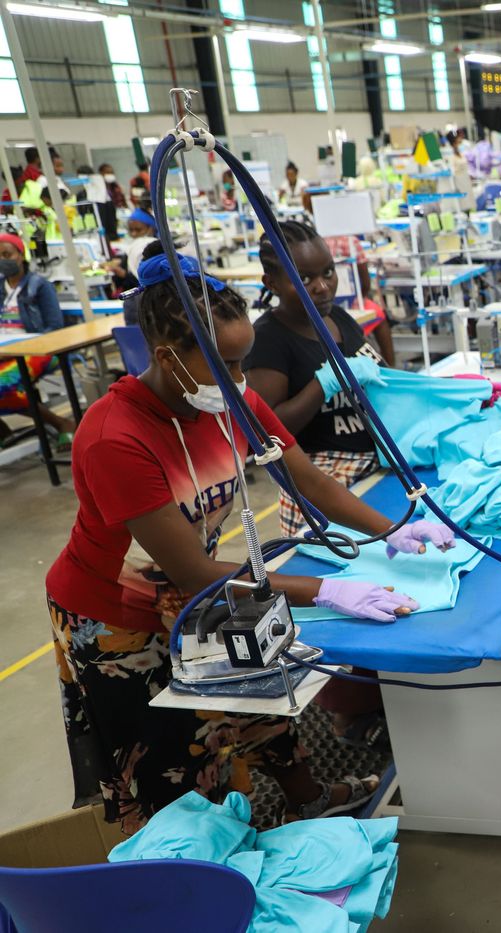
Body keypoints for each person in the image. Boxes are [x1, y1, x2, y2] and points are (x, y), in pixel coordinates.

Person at [44, 251, 455, 832]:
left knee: (262, 702)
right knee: (176, 761)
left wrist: (389, 529)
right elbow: (191, 574)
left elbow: (304, 476)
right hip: (117, 615)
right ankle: (197, 870)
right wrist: (327, 590)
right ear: (168, 359)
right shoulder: (116, 438)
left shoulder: (227, 399)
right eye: (228, 364)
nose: (241, 380)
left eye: (244, 361)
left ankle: (309, 799)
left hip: (196, 586)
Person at [243, 221, 384, 538]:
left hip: (374, 469)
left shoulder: (338, 317)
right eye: (304, 279)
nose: (322, 286)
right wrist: (324, 383)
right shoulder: (269, 339)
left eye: (328, 272)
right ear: (272, 283)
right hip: (325, 485)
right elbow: (269, 433)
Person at [0, 232, 75, 447]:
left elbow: (54, 328)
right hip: (6, 350)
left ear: (21, 255)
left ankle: (61, 423)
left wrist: (29, 345)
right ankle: (3, 432)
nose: (3, 261)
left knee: (2, 384)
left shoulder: (40, 286)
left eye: (7, 254)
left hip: (40, 350)